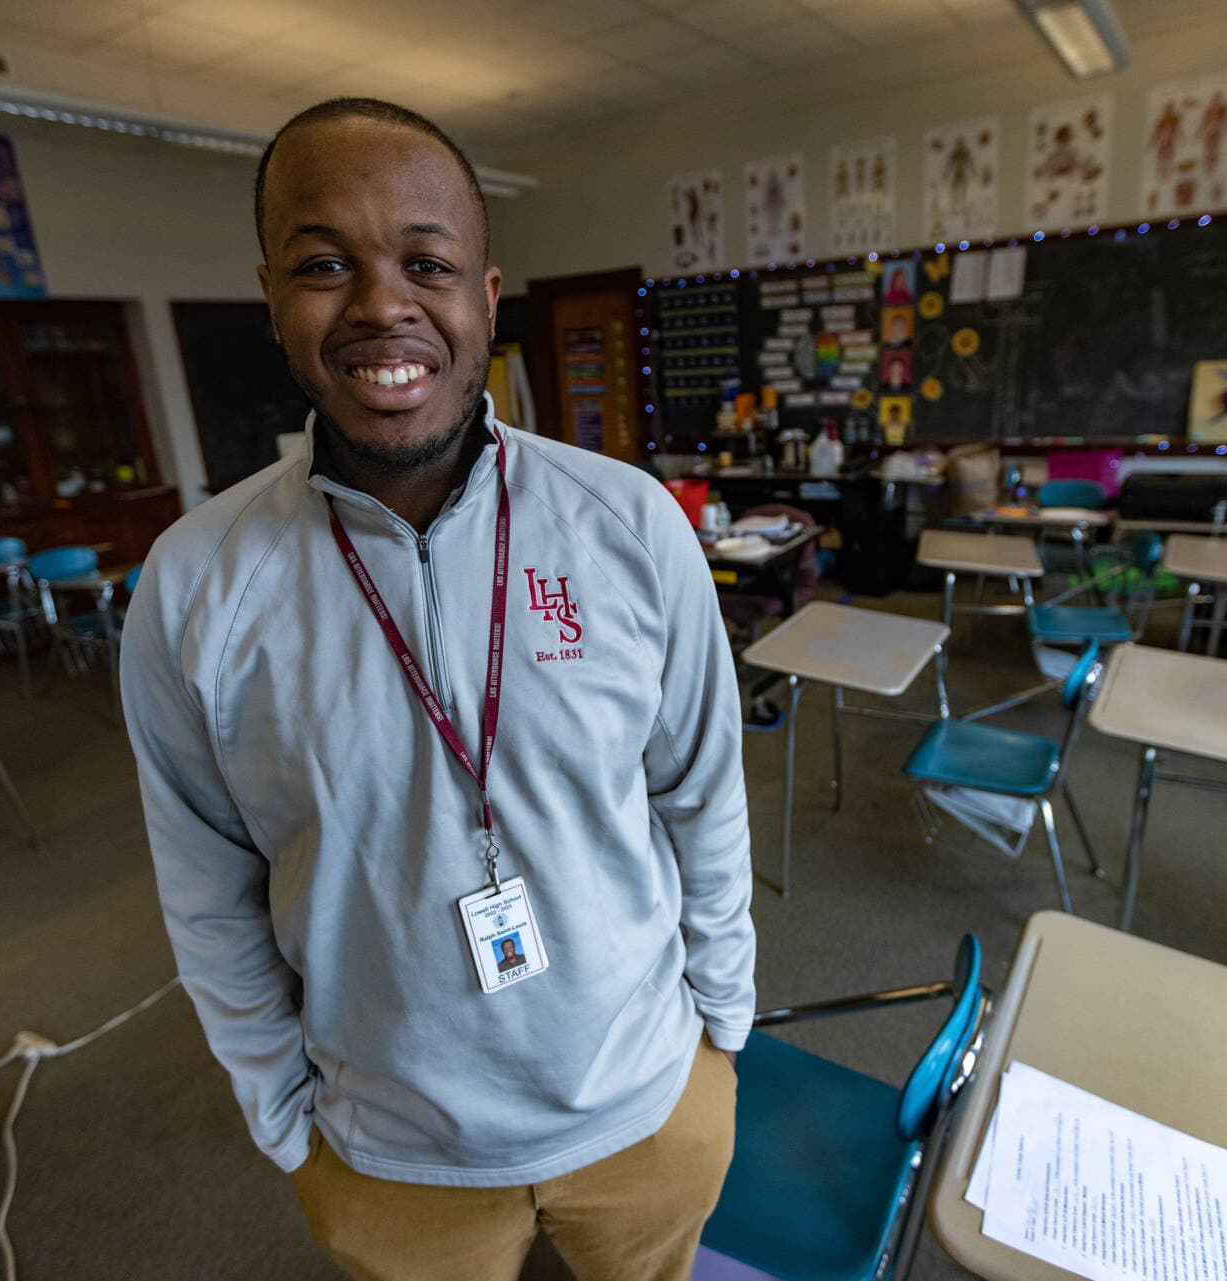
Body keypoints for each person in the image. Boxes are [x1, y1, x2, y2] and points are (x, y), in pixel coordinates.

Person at [121, 97, 754, 1281]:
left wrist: (721, 1032)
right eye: (324, 265)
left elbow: (702, 795)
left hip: (648, 1108)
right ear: (270, 296)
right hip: (387, 1156)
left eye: (427, 262)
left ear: (486, 296)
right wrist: (283, 1120)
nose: (379, 305)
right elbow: (206, 886)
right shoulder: (195, 585)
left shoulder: (626, 527)